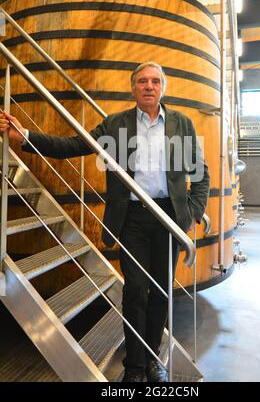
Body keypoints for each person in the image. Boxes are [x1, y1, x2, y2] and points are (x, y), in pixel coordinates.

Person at [0, 61, 209, 382]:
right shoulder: (116, 124)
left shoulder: (181, 124)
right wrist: (24, 135)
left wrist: (192, 212)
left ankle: (154, 360)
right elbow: (71, 146)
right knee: (136, 290)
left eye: (155, 81)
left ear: (163, 87)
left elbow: (201, 173)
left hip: (168, 219)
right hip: (134, 218)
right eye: (142, 81)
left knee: (163, 292)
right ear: (133, 88)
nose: (149, 86)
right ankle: (135, 367)